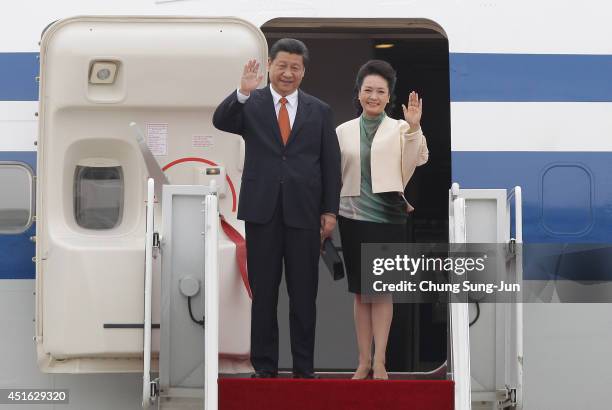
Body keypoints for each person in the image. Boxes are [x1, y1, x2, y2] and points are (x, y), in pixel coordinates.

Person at [212, 38, 341, 379]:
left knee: (303, 297)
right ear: (269, 65)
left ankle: (303, 370)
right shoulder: (250, 103)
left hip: (304, 214)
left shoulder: (320, 110)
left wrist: (329, 211)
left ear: (303, 71)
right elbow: (220, 121)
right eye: (282, 65)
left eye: (295, 67)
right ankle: (265, 368)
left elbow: (330, 164)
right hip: (262, 212)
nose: (288, 73)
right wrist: (241, 91)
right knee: (264, 294)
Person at [336, 60, 429, 380]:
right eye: (368, 90)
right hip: (351, 215)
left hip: (389, 216)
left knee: (383, 290)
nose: (373, 96)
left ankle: (380, 361)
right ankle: (363, 361)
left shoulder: (402, 129)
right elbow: (333, 174)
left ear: (389, 97)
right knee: (361, 292)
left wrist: (414, 126)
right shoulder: (342, 131)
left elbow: (418, 158)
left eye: (380, 91)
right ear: (359, 94)